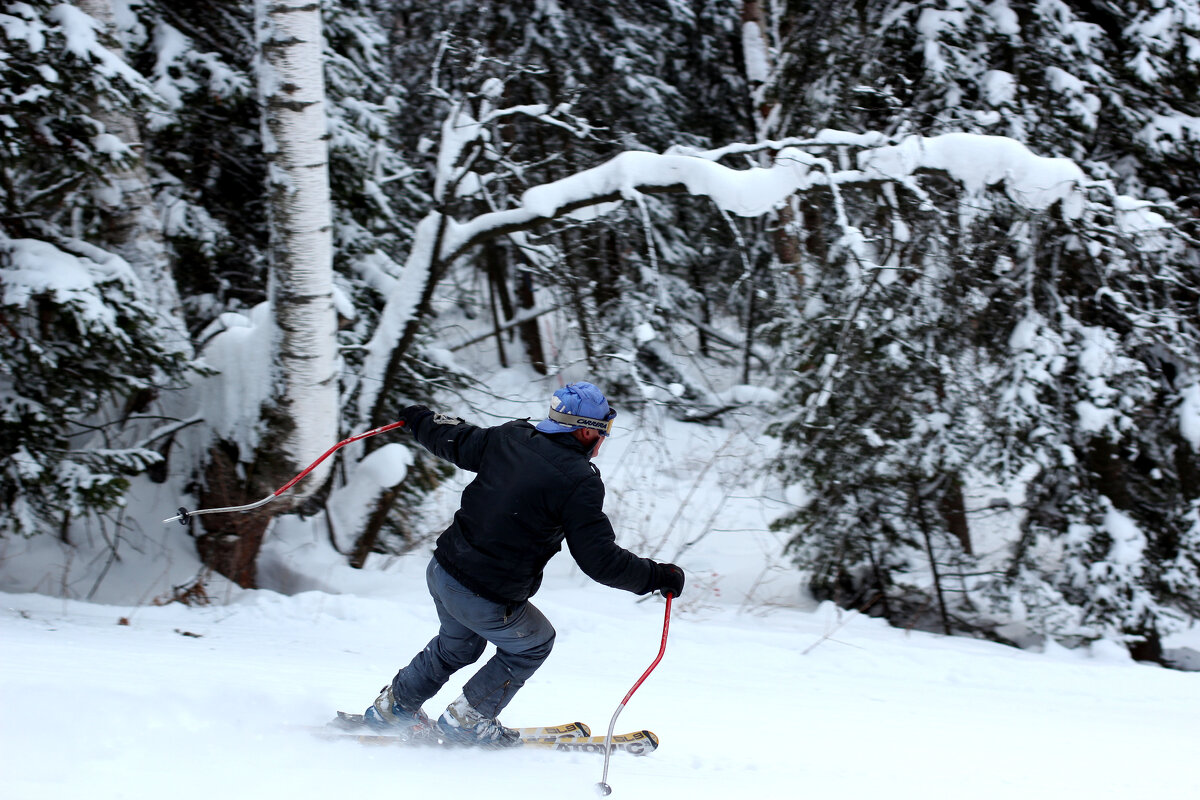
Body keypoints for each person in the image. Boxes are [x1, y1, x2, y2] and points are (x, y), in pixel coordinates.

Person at [362, 382, 685, 747]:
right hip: (485, 592)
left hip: (443, 570)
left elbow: (455, 438)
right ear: (585, 431)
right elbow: (599, 560)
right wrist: (657, 575)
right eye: (603, 431)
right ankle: (467, 719)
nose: (602, 440)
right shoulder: (579, 481)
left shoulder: (511, 437)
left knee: (458, 647)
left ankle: (393, 708)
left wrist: (420, 419)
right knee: (533, 642)